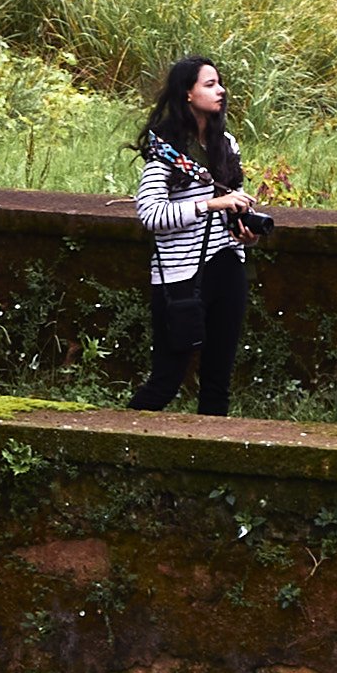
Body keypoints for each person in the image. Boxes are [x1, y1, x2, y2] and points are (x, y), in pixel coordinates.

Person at [129, 56, 256, 417]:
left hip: (228, 265)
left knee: (218, 382)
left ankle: (211, 463)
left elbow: (231, 204)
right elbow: (150, 215)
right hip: (181, 275)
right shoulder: (165, 150)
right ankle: (115, 445)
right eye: (210, 84)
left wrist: (244, 231)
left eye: (220, 83)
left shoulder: (226, 143)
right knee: (166, 381)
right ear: (187, 93)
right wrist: (209, 204)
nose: (221, 91)